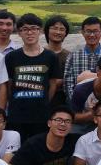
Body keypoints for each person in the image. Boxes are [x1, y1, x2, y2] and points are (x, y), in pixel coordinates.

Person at [5, 13, 62, 141]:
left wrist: (44, 102)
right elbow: (9, 84)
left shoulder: (50, 57)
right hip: (17, 114)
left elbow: (52, 84)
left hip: (41, 114)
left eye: (33, 28)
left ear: (40, 31)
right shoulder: (11, 57)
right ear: (19, 33)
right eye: (25, 29)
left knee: (39, 145)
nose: (29, 33)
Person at [63, 17, 101, 99]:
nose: (92, 35)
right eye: (88, 31)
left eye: (95, 31)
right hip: (78, 101)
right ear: (82, 32)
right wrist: (75, 102)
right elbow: (68, 83)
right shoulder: (73, 55)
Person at [44, 15, 71, 105]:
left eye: (62, 29)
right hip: (42, 97)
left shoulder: (70, 56)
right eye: (55, 28)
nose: (58, 32)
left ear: (66, 33)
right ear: (47, 31)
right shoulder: (39, 53)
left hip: (64, 99)